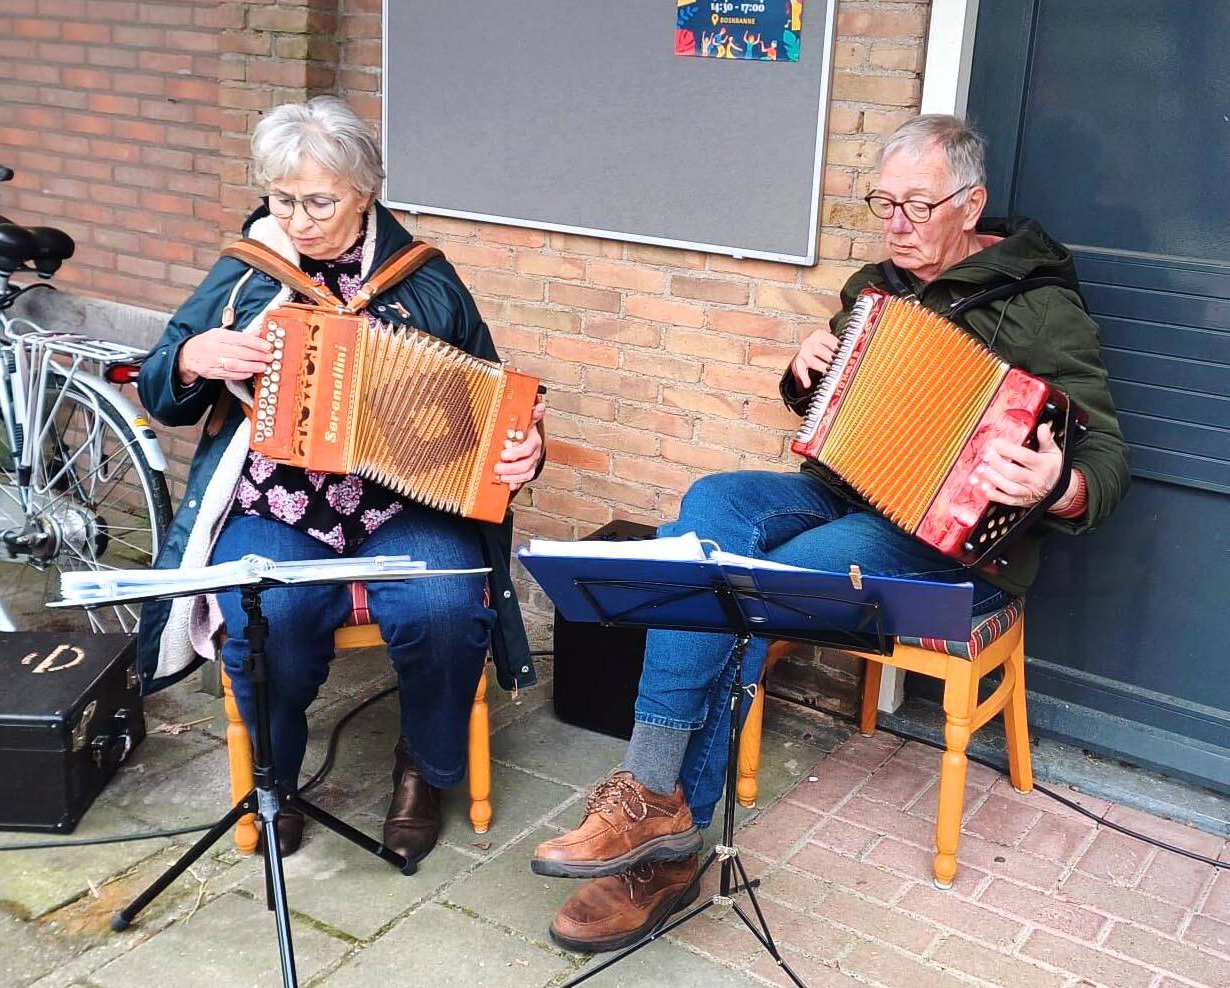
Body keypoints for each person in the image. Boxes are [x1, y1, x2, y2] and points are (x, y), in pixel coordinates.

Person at [532, 113, 1129, 952]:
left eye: (917, 206)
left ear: (972, 203)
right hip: (842, 495)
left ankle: (664, 840)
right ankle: (651, 796)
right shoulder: (876, 287)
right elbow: (830, 411)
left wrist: (1058, 482)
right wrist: (805, 368)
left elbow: (1105, 453)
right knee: (709, 508)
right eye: (884, 202)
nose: (896, 224)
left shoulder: (1039, 307)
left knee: (750, 590)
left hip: (945, 543)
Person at [136, 97, 546, 862]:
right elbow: (159, 380)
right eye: (283, 199)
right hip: (278, 499)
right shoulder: (246, 272)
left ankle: (424, 766)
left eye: (320, 201)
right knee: (268, 620)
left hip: (405, 498)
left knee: (446, 604)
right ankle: (276, 778)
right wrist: (196, 359)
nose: (299, 220)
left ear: (366, 190)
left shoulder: (424, 276)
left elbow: (495, 400)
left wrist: (527, 450)